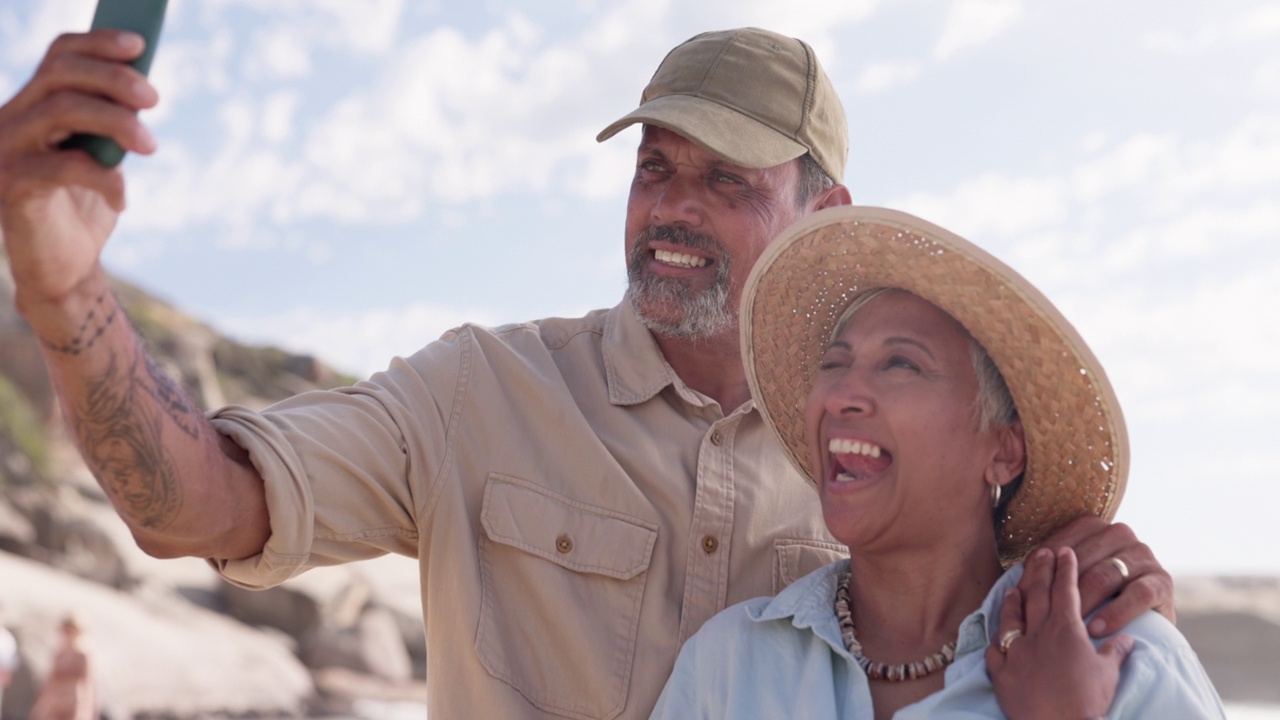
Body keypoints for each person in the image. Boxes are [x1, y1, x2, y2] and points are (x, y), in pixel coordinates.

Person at [0, 26, 1176, 719]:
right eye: (655, 168)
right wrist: (63, 294)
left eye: (726, 180)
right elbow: (189, 504)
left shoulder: (890, 468)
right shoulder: (475, 393)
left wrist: (1117, 593)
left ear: (824, 214)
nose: (671, 207)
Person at [649, 206, 1224, 719]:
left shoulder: (1124, 655)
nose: (843, 391)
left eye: (901, 365)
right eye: (835, 362)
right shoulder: (730, 663)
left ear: (1003, 450)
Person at [29, 615, 97, 720]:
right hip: (56, 701)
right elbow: (50, 680)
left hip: (74, 701)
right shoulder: (59, 653)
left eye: (69, 630)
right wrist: (41, 704)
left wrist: (89, 709)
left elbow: (87, 683)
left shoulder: (83, 654)